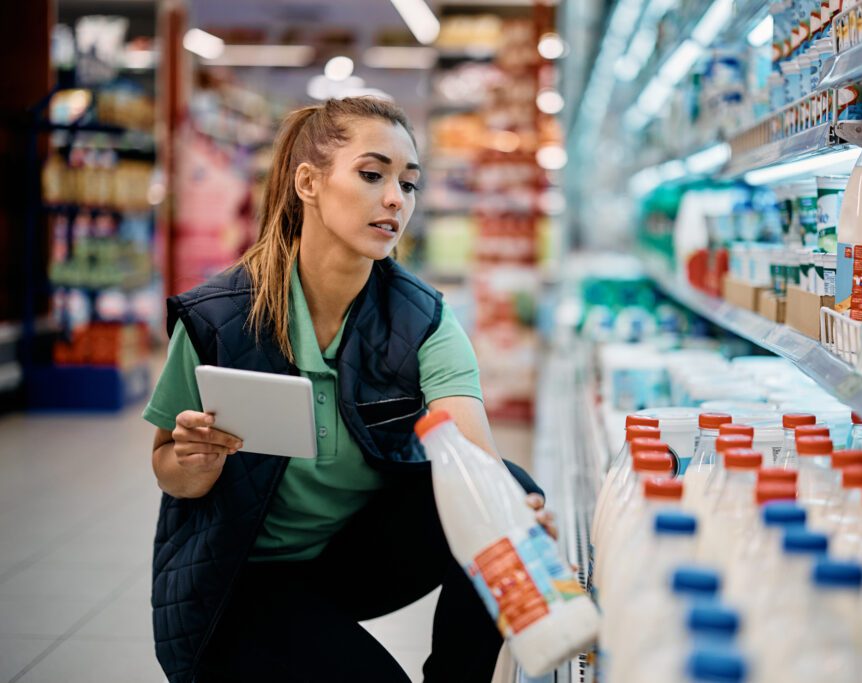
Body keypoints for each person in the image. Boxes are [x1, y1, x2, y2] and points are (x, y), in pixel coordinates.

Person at [143, 97, 554, 683]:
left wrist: (513, 516)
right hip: (242, 578)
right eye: (372, 174)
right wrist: (197, 462)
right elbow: (167, 467)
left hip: (354, 560)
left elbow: (473, 455)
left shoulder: (421, 319)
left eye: (408, 185)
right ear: (308, 182)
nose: (395, 199)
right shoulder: (219, 318)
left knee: (509, 487)